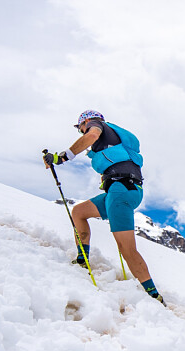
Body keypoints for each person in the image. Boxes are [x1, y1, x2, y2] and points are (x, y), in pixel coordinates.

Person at [43, 110, 163, 304]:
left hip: (119, 191)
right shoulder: (115, 136)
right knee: (79, 212)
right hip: (123, 190)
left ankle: (154, 296)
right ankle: (82, 260)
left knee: (127, 250)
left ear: (86, 121)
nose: (81, 131)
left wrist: (62, 158)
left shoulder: (96, 125)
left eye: (79, 127)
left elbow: (91, 136)